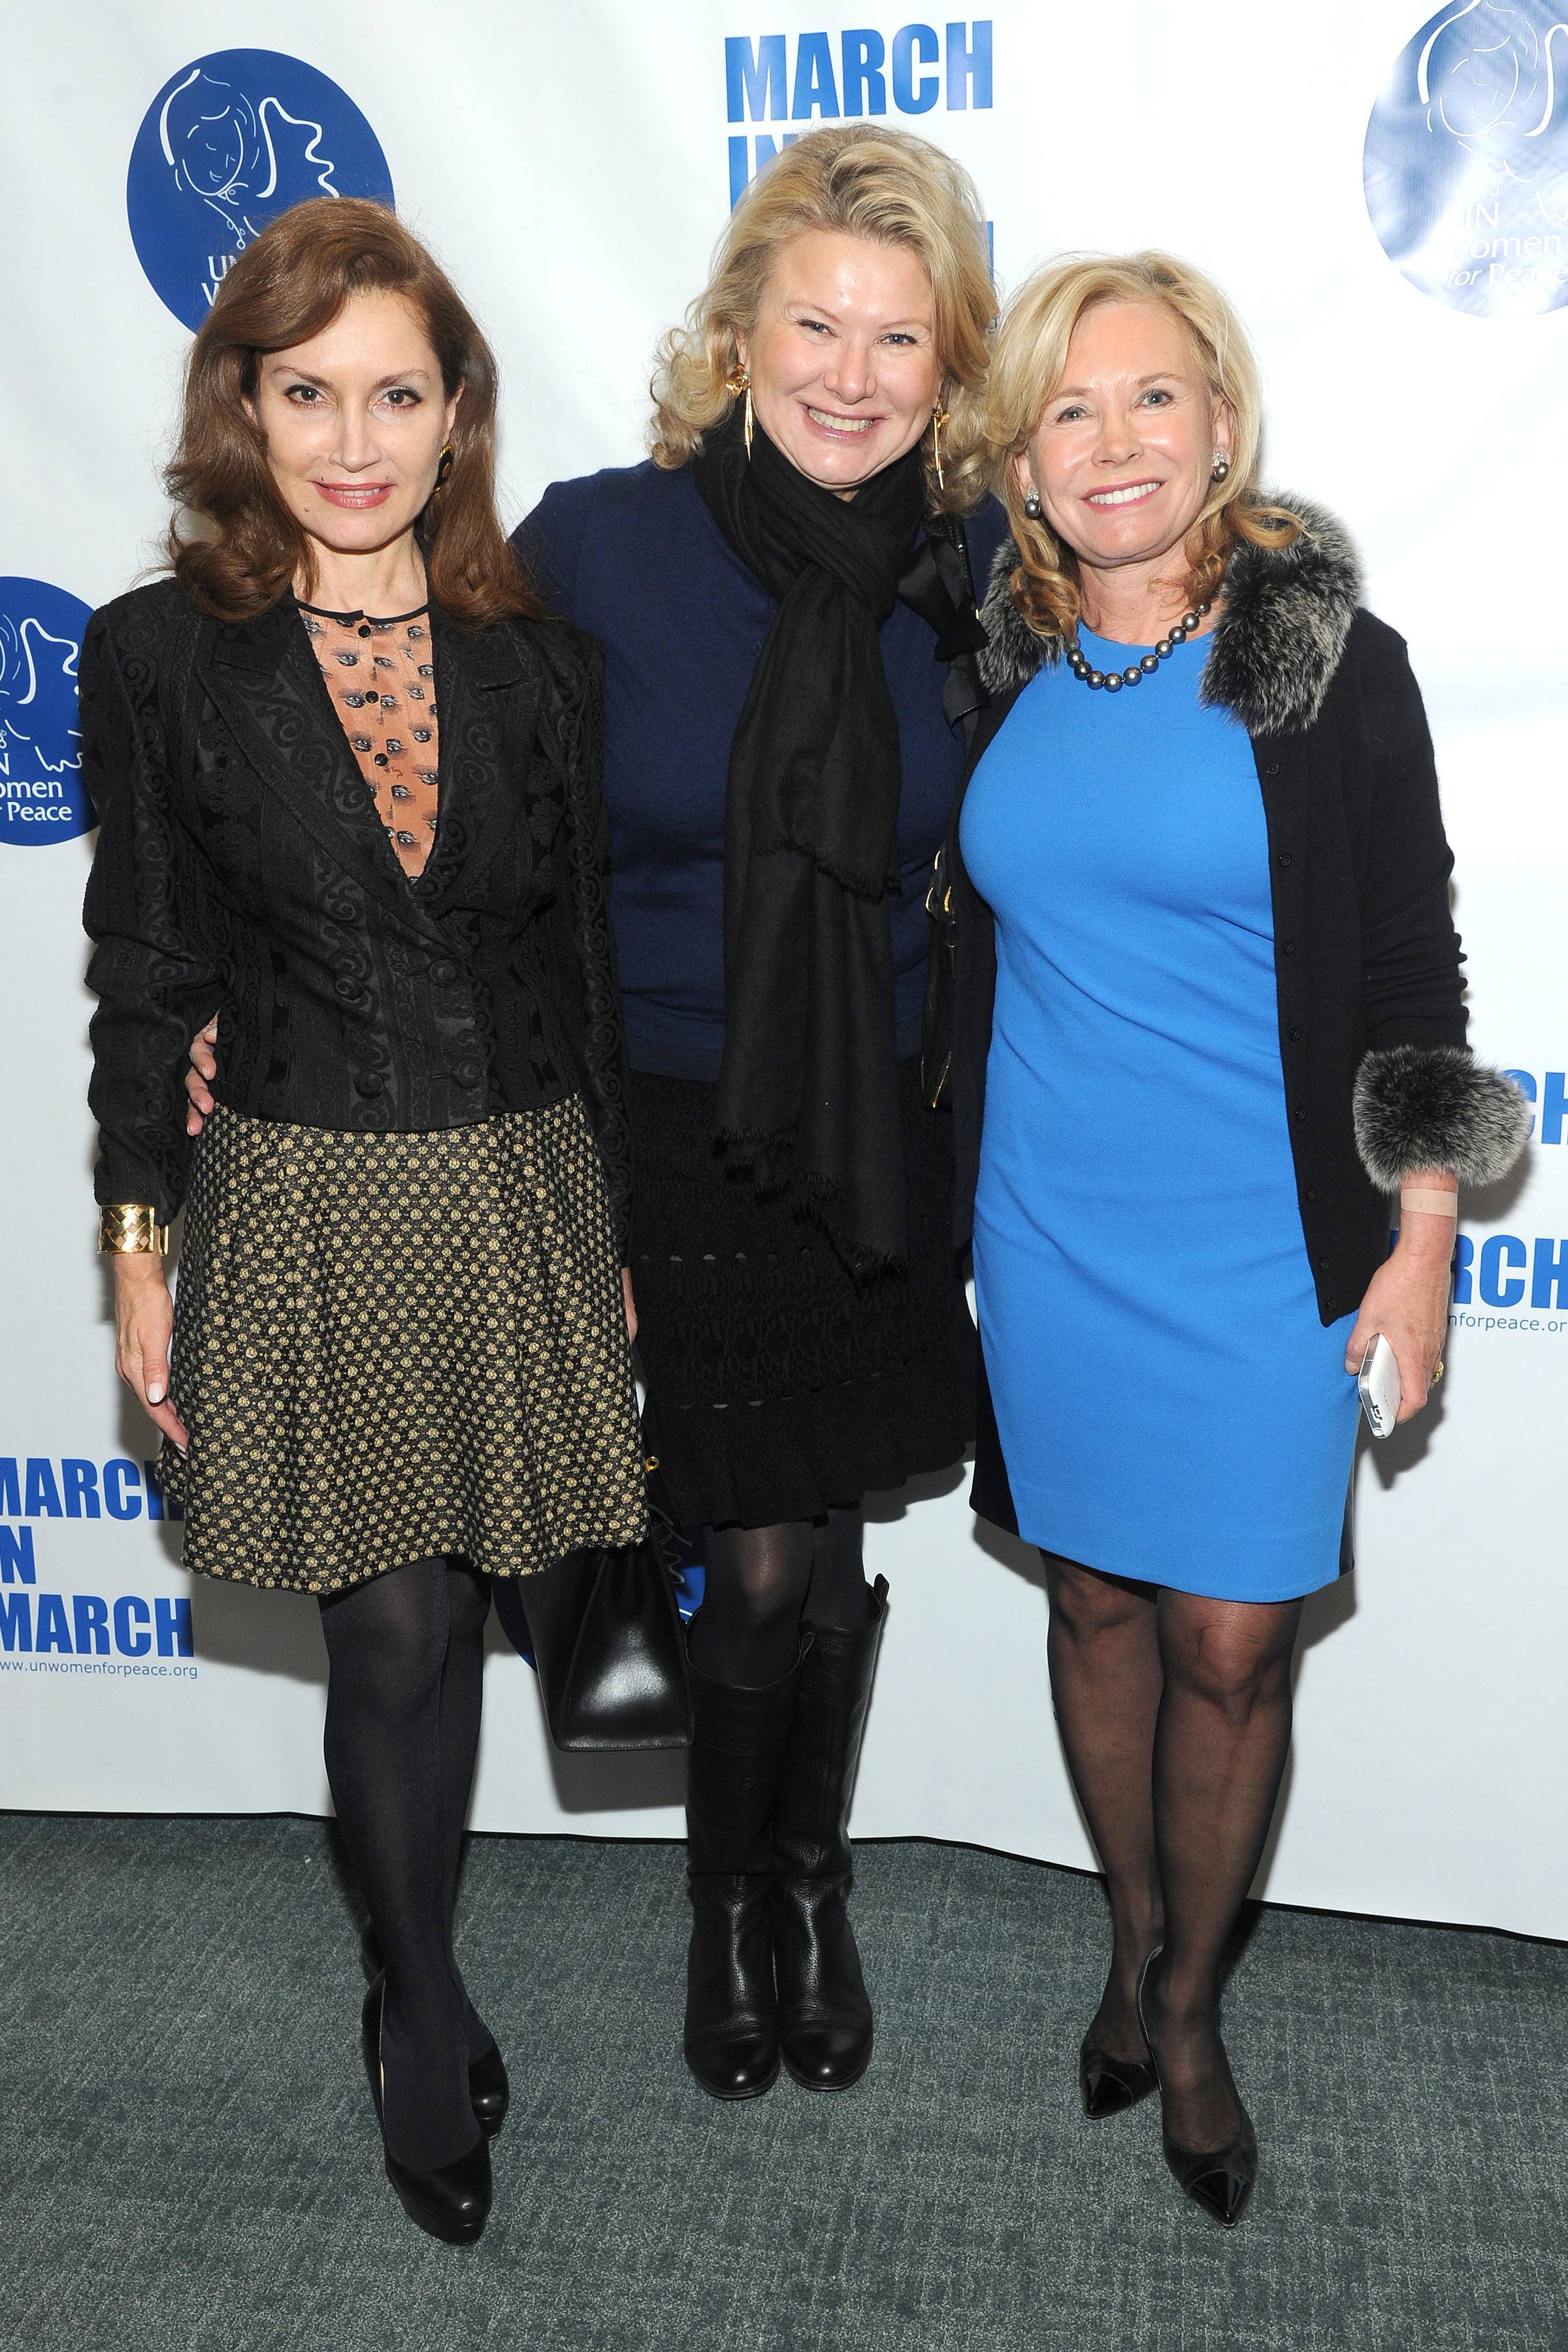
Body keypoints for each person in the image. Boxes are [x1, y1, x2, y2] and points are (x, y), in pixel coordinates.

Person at [937, 252, 1527, 2225]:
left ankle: (1192, 2009)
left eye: (1154, 397)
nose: (1114, 441)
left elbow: (1412, 966)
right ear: (1023, 457)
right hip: (1050, 1231)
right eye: (1069, 408)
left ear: (1223, 421)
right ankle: (1131, 1948)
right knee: (1095, 1607)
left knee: (1232, 1639)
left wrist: (1423, 1237)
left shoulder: (1329, 664)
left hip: (1270, 1244)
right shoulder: (993, 661)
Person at [84, 198, 646, 2246]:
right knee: (392, 1630)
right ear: (243, 404)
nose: (352, 441)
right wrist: (139, 1242)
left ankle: (417, 1962)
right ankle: (417, 2003)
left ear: (456, 411)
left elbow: (577, 963)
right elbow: (147, 965)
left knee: (492, 1609)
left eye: (396, 395)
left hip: (515, 1186)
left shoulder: (540, 665)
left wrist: (611, 1233)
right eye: (308, 392)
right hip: (305, 1193)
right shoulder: (161, 656)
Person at [515, 126, 1004, 2100]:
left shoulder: (974, 572)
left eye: (900, 339)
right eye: (815, 324)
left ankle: (812, 1880)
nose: (851, 377)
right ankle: (738, 1902)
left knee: (834, 1527)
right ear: (738, 333)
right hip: (668, 1127)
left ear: (949, 369)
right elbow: (479, 851)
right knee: (769, 1553)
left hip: (880, 1119)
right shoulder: (593, 548)